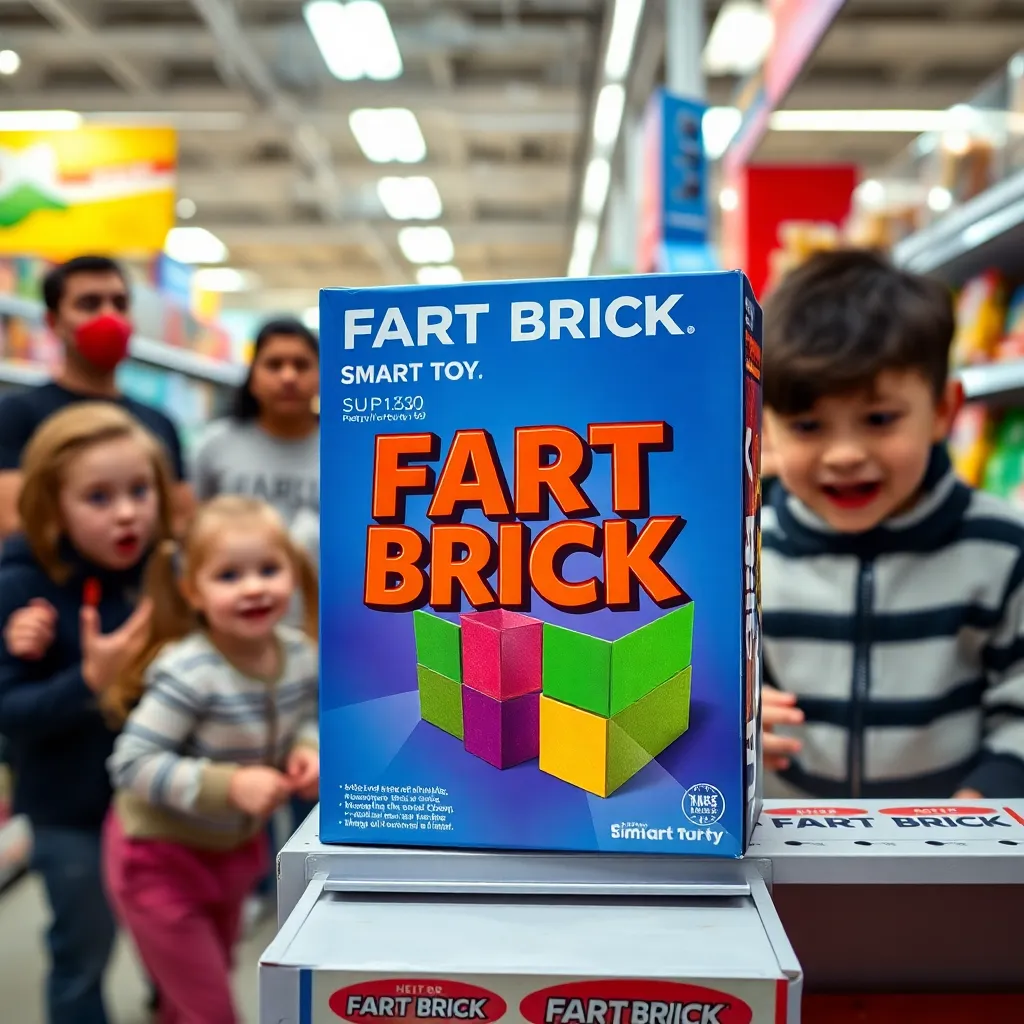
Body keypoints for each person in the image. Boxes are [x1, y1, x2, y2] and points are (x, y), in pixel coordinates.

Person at [761, 248, 1024, 799]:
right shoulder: (748, 552)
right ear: (765, 429)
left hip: (946, 847)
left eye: (880, 419)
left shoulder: (1002, 550)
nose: (845, 455)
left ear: (945, 412)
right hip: (786, 842)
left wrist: (981, 803)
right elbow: (702, 683)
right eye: (808, 426)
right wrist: (737, 719)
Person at [104, 495, 319, 1024]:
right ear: (192, 591)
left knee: (205, 981)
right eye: (228, 575)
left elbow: (308, 716)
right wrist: (230, 784)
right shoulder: (190, 672)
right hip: (158, 858)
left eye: (268, 569)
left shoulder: (298, 654)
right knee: (212, 1009)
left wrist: (306, 748)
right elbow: (130, 762)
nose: (252, 587)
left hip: (236, 851)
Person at [0, 403, 174, 1024]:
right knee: (83, 953)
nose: (127, 511)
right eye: (98, 497)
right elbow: (12, 712)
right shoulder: (22, 589)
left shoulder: (169, 574)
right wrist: (90, 680)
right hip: (69, 813)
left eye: (138, 490)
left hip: (162, 810)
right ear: (52, 505)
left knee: (170, 949)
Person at [0, 255, 195, 539]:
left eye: (120, 304)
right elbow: (12, 521)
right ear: (53, 322)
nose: (109, 317)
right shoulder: (16, 415)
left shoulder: (159, 423)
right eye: (89, 304)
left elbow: (180, 524)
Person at [191, 318, 319, 532]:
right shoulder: (214, 445)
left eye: (301, 365)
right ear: (252, 377)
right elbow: (193, 529)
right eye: (274, 365)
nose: (288, 376)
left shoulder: (345, 451)